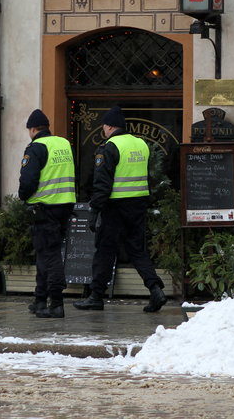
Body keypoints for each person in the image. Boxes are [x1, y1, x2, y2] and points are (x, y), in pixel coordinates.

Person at [73, 106, 167, 313]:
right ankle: (155, 289)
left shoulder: (109, 146)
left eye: (104, 127)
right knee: (137, 250)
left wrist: (94, 210)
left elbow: (102, 183)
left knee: (105, 251)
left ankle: (96, 296)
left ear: (108, 126)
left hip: (114, 207)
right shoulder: (141, 144)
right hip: (137, 204)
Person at [18, 109, 77, 318]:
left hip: (44, 207)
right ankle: (40, 299)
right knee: (45, 253)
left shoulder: (36, 147)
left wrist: (23, 197)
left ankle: (56, 302)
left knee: (50, 255)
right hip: (65, 206)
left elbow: (28, 180)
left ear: (33, 129)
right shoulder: (63, 144)